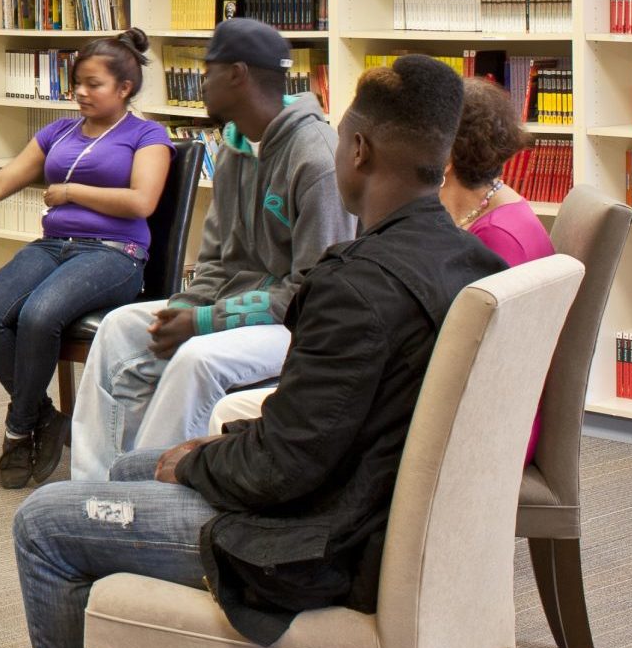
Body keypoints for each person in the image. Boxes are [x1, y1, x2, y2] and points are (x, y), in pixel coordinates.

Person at [1, 54, 505, 648]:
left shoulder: (360, 286)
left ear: (360, 149)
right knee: (135, 464)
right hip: (369, 510)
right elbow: (325, 432)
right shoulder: (469, 259)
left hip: (316, 544)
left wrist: (200, 456)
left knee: (46, 522)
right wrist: (195, 456)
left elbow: (280, 469)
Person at [62, 19, 352, 482]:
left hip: (299, 326)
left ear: (237, 74)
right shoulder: (235, 147)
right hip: (232, 309)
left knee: (198, 359)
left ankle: (146, 494)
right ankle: (94, 490)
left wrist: (203, 322)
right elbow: (218, 258)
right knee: (119, 327)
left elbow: (312, 292)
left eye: (208, 71)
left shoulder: (315, 157)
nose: (200, 83)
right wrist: (185, 307)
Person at [206, 72, 551, 443]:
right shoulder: (498, 213)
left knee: (238, 415)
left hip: (477, 430)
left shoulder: (495, 241)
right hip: (479, 413)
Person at [0, 30, 173, 488]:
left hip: (115, 254)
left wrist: (70, 192)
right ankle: (46, 417)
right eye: (77, 84)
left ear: (124, 88)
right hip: (54, 246)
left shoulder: (148, 134)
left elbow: (142, 202)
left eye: (94, 84)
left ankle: (17, 430)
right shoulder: (58, 131)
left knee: (38, 315)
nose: (81, 93)